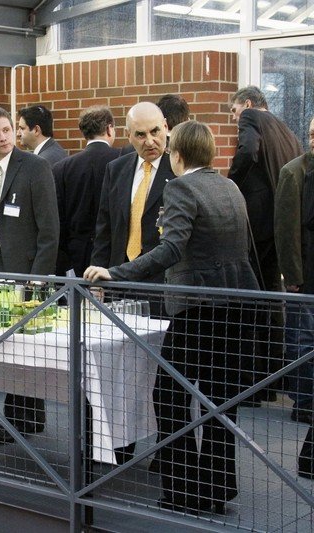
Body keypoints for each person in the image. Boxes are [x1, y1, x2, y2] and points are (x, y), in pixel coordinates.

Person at [84, 120, 259, 514]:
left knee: (168, 394)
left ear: (177, 154)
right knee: (219, 400)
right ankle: (217, 487)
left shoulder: (180, 187)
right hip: (235, 306)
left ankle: (182, 490)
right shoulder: (229, 186)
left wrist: (116, 272)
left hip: (196, 308)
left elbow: (171, 249)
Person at [0, 107, 59, 443]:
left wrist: (39, 279)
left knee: (26, 348)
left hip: (28, 271)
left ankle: (19, 419)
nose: (4, 137)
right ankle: (26, 418)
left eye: (7, 130)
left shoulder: (35, 167)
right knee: (7, 347)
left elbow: (49, 229)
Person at [229, 86, 302, 401]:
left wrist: (230, 183)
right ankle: (272, 379)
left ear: (247, 104)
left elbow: (247, 151)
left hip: (257, 223)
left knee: (252, 300)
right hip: (278, 223)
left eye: (234, 112)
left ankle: (252, 382)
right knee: (273, 302)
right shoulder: (286, 130)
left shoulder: (251, 117)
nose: (235, 119)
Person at [90, 102, 175, 312]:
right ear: (128, 135)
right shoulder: (116, 169)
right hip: (118, 283)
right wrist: (97, 278)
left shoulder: (178, 170)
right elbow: (104, 229)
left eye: (155, 131)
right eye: (140, 135)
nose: (150, 141)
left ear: (165, 126)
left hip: (162, 286)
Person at [275, 116, 314, 427]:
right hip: (305, 276)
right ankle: (304, 402)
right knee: (302, 340)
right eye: (312, 134)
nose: (313, 140)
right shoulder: (294, 172)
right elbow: (287, 232)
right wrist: (293, 277)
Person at [53, 106, 120, 276]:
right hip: (115, 253)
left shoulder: (61, 168)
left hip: (75, 254)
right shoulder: (124, 161)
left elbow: (58, 219)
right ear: (109, 128)